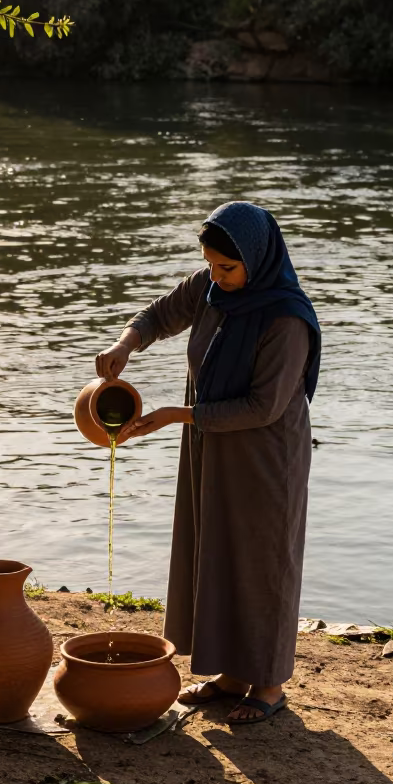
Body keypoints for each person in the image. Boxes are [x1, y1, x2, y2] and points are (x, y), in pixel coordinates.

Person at [95, 201, 321, 725]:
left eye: (227, 268)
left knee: (262, 561)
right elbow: (159, 314)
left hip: (266, 456)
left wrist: (180, 414)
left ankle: (266, 685)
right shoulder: (211, 287)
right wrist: (126, 345)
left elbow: (263, 407)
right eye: (211, 265)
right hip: (210, 440)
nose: (217, 277)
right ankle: (229, 675)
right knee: (215, 550)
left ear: (258, 259)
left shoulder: (286, 319)